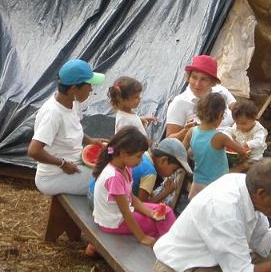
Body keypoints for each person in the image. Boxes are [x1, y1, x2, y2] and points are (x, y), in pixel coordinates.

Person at [27, 59, 107, 196]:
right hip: (54, 177)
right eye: (89, 86)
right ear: (74, 88)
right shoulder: (53, 114)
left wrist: (90, 141)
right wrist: (63, 164)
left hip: (75, 164)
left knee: (111, 169)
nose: (91, 89)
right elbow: (33, 151)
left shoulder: (72, 102)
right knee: (110, 181)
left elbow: (72, 130)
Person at [93, 126, 176, 247]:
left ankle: (166, 244)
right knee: (161, 222)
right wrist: (142, 238)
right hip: (114, 222)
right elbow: (125, 211)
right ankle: (166, 249)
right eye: (139, 156)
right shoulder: (114, 177)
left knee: (166, 213)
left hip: (118, 216)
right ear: (123, 154)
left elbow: (131, 198)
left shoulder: (125, 169)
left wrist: (150, 213)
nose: (141, 160)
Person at [87, 136, 193, 205]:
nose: (172, 174)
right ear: (164, 161)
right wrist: (165, 193)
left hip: (92, 192)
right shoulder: (151, 172)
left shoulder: (144, 156)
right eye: (174, 170)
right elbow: (142, 205)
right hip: (102, 203)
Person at [183, 93, 248, 199]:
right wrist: (243, 159)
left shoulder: (191, 132)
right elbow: (242, 152)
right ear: (220, 115)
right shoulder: (220, 137)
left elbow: (181, 151)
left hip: (198, 182)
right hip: (218, 184)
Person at [165, 55, 236, 141]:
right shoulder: (180, 103)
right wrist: (185, 131)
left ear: (212, 82)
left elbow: (237, 111)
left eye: (204, 79)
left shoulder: (220, 91)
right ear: (188, 77)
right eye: (194, 77)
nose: (197, 84)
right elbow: (168, 140)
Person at [222, 100, 268, 172]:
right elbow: (229, 131)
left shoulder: (258, 129)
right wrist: (226, 137)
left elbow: (260, 141)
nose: (240, 126)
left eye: (244, 123)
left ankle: (238, 169)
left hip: (253, 156)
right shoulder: (237, 126)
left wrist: (248, 144)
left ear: (254, 118)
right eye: (237, 123)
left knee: (252, 163)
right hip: (239, 155)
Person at [108, 76, 157, 142]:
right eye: (136, 97)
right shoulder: (123, 120)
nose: (140, 98)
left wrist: (139, 119)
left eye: (139, 96)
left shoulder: (128, 112)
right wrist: (145, 142)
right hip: (136, 150)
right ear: (122, 100)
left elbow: (131, 121)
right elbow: (125, 141)